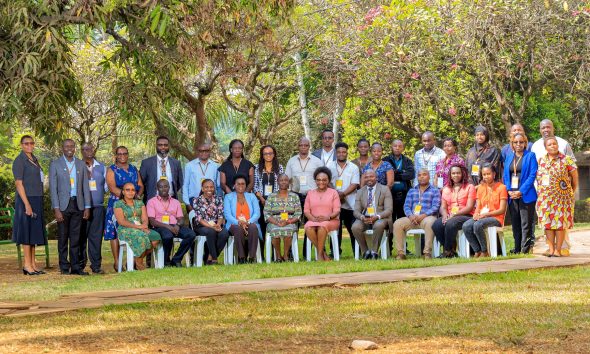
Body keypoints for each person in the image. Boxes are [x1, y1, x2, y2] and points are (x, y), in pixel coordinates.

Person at [531, 119, 576, 255]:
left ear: (553, 128)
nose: (546, 129)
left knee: (561, 223)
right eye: (543, 127)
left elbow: (574, 174)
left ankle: (562, 248)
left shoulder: (564, 144)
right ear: (540, 130)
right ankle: (550, 249)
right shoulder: (536, 148)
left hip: (562, 195)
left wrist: (572, 191)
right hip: (544, 195)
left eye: (548, 127)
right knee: (548, 223)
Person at [49, 139, 91, 275]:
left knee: (76, 237)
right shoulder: (55, 164)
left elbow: (85, 186)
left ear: (75, 148)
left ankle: (76, 267)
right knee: (62, 237)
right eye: (67, 146)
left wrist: (87, 206)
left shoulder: (80, 164)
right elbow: (53, 189)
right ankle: (64, 267)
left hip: (78, 205)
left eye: (72, 146)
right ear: (62, 148)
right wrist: (56, 208)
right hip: (62, 206)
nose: (69, 148)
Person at [104, 146, 144, 271]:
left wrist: (137, 195)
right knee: (114, 232)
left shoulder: (133, 169)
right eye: (119, 153)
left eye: (125, 153)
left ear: (128, 155)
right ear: (115, 155)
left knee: (135, 227)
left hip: (134, 203)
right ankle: (117, 262)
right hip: (117, 203)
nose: (122, 155)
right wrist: (126, 197)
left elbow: (140, 185)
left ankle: (133, 261)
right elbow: (112, 187)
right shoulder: (111, 169)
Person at [12, 135, 46, 275]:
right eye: (26, 143)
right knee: (27, 232)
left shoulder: (34, 159)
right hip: (26, 200)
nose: (29, 145)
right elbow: (19, 184)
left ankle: (33, 264)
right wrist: (27, 204)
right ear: (21, 145)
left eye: (32, 143)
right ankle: (27, 265)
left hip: (36, 198)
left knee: (33, 233)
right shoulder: (19, 161)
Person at [285, 137, 323, 257]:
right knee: (292, 224)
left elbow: (322, 179)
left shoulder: (317, 161)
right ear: (298, 146)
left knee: (310, 224)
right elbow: (287, 179)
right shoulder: (291, 161)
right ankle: (291, 252)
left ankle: (307, 253)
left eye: (306, 145)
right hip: (295, 195)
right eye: (301, 145)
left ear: (309, 146)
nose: (303, 147)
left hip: (311, 195)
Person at [393, 169, 440, 260]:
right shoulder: (412, 191)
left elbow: (435, 206)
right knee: (397, 223)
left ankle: (427, 253)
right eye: (419, 175)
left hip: (427, 218)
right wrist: (410, 216)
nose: (421, 177)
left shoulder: (435, 190)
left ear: (429, 177)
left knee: (431, 222)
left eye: (424, 174)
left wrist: (423, 215)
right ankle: (401, 253)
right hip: (412, 218)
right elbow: (406, 206)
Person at [147, 179, 196, 267]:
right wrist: (168, 227)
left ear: (169, 187)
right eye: (161, 187)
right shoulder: (151, 202)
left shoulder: (176, 202)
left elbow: (181, 218)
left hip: (174, 225)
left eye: (166, 186)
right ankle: (166, 261)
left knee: (191, 234)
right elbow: (152, 221)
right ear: (157, 188)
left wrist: (177, 225)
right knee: (167, 236)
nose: (164, 189)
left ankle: (177, 259)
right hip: (160, 226)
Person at [502, 133, 538, 254]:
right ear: (512, 143)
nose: (518, 144)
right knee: (515, 223)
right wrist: (509, 190)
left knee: (526, 223)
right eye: (516, 142)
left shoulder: (531, 156)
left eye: (521, 142)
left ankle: (525, 249)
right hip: (512, 195)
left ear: (525, 143)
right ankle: (517, 248)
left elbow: (532, 175)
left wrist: (520, 191)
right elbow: (506, 176)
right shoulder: (508, 157)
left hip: (526, 195)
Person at [462, 164, 508, 257]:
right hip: (482, 216)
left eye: (488, 174)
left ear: (494, 174)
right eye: (484, 174)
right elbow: (478, 206)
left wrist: (486, 214)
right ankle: (477, 251)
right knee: (466, 225)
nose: (486, 176)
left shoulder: (501, 187)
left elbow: (502, 210)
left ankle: (484, 251)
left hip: (496, 218)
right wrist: (476, 213)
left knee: (478, 225)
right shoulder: (481, 188)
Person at [114, 182, 161, 270]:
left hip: (141, 228)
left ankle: (138, 259)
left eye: (133, 190)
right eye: (127, 190)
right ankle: (139, 264)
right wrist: (139, 228)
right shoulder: (118, 204)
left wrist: (144, 226)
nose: (130, 192)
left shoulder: (140, 203)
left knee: (156, 237)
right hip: (125, 229)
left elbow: (144, 218)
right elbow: (121, 221)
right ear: (123, 192)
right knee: (141, 236)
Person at [432, 164, 476, 258]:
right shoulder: (446, 188)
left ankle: (447, 251)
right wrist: (444, 215)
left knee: (450, 223)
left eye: (458, 173)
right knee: (436, 225)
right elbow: (443, 206)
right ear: (450, 175)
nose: (456, 175)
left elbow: (469, 207)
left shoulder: (469, 187)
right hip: (450, 215)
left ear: (462, 174)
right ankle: (451, 250)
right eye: (453, 173)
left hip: (466, 215)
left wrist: (454, 214)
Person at [352, 169, 393, 259]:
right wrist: (362, 217)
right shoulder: (360, 191)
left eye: (371, 176)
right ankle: (366, 251)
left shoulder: (384, 189)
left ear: (376, 178)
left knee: (378, 225)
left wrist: (377, 216)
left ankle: (374, 252)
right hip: (365, 218)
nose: (369, 179)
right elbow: (356, 211)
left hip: (380, 217)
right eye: (366, 177)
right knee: (355, 227)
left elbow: (389, 209)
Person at [79, 142, 107, 274]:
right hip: (81, 208)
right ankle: (80, 264)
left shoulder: (102, 167)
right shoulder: (78, 166)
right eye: (84, 149)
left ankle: (96, 265)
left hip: (98, 207)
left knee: (96, 237)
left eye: (89, 148)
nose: (87, 151)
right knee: (81, 236)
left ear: (93, 150)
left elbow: (106, 187)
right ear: (81, 151)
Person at [327, 142, 360, 256]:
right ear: (336, 153)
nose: (341, 154)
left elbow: (355, 184)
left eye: (344, 152)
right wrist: (336, 195)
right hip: (334, 204)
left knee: (352, 228)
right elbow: (327, 182)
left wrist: (343, 194)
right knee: (335, 228)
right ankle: (334, 252)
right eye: (339, 152)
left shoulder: (353, 167)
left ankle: (357, 251)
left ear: (347, 153)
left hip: (351, 203)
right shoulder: (329, 166)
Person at [304, 167, 341, 261]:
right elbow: (306, 211)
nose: (321, 182)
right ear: (315, 181)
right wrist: (312, 218)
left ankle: (320, 256)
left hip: (331, 220)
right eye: (319, 180)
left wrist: (327, 217)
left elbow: (337, 210)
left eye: (324, 180)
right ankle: (323, 254)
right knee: (308, 227)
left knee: (322, 227)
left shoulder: (334, 193)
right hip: (313, 220)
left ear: (328, 180)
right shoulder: (310, 193)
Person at [224, 175, 261, 263]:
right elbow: (227, 215)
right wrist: (239, 222)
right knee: (238, 229)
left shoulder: (251, 196)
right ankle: (241, 257)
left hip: (250, 223)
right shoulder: (228, 197)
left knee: (253, 228)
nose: (241, 186)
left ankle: (252, 257)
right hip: (234, 224)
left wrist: (248, 222)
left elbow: (257, 213)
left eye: (243, 184)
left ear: (246, 185)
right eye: (238, 184)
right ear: (234, 185)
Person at [264, 174, 302, 262]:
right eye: (281, 180)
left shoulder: (294, 196)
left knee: (288, 230)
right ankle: (278, 256)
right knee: (274, 231)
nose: (283, 182)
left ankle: (285, 255)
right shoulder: (271, 196)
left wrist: (288, 221)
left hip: (290, 221)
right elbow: (266, 213)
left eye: (286, 180)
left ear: (288, 182)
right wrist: (277, 222)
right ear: (278, 182)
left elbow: (298, 213)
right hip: (274, 221)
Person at [192, 179, 229, 265]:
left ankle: (209, 257)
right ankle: (215, 259)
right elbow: (200, 219)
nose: (209, 189)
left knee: (224, 234)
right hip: (201, 226)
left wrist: (218, 225)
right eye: (206, 187)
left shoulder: (218, 199)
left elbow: (220, 215)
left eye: (211, 187)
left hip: (216, 225)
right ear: (202, 189)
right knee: (211, 232)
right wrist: (212, 227)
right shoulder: (196, 200)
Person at [253, 145, 284, 243]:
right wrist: (262, 199)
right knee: (261, 227)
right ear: (262, 155)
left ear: (274, 154)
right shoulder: (257, 168)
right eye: (265, 153)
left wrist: (272, 200)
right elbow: (255, 185)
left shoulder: (279, 167)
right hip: (260, 201)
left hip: (275, 202)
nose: (268, 155)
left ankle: (274, 254)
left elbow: (281, 184)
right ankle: (261, 255)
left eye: (270, 153)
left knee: (274, 226)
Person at [139, 136, 183, 201]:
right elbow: (141, 182)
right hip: (152, 200)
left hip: (171, 200)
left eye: (165, 145)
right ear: (156, 146)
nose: (163, 147)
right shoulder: (146, 163)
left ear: (169, 146)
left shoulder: (176, 163)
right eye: (160, 145)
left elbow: (179, 182)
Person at [183, 142, 220, 210]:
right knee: (195, 220)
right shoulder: (189, 166)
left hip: (211, 201)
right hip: (193, 200)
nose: (204, 153)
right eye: (201, 151)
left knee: (211, 221)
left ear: (210, 152)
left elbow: (218, 186)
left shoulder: (215, 166)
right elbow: (185, 185)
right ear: (197, 152)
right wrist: (187, 203)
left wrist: (218, 202)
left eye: (206, 150)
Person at [384, 140, 415, 221]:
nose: (397, 148)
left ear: (403, 148)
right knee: (390, 221)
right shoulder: (385, 160)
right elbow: (384, 175)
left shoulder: (407, 161)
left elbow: (411, 175)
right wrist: (402, 172)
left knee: (403, 221)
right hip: (389, 196)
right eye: (395, 146)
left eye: (400, 146)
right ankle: (390, 234)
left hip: (404, 196)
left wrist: (394, 173)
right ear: (391, 147)